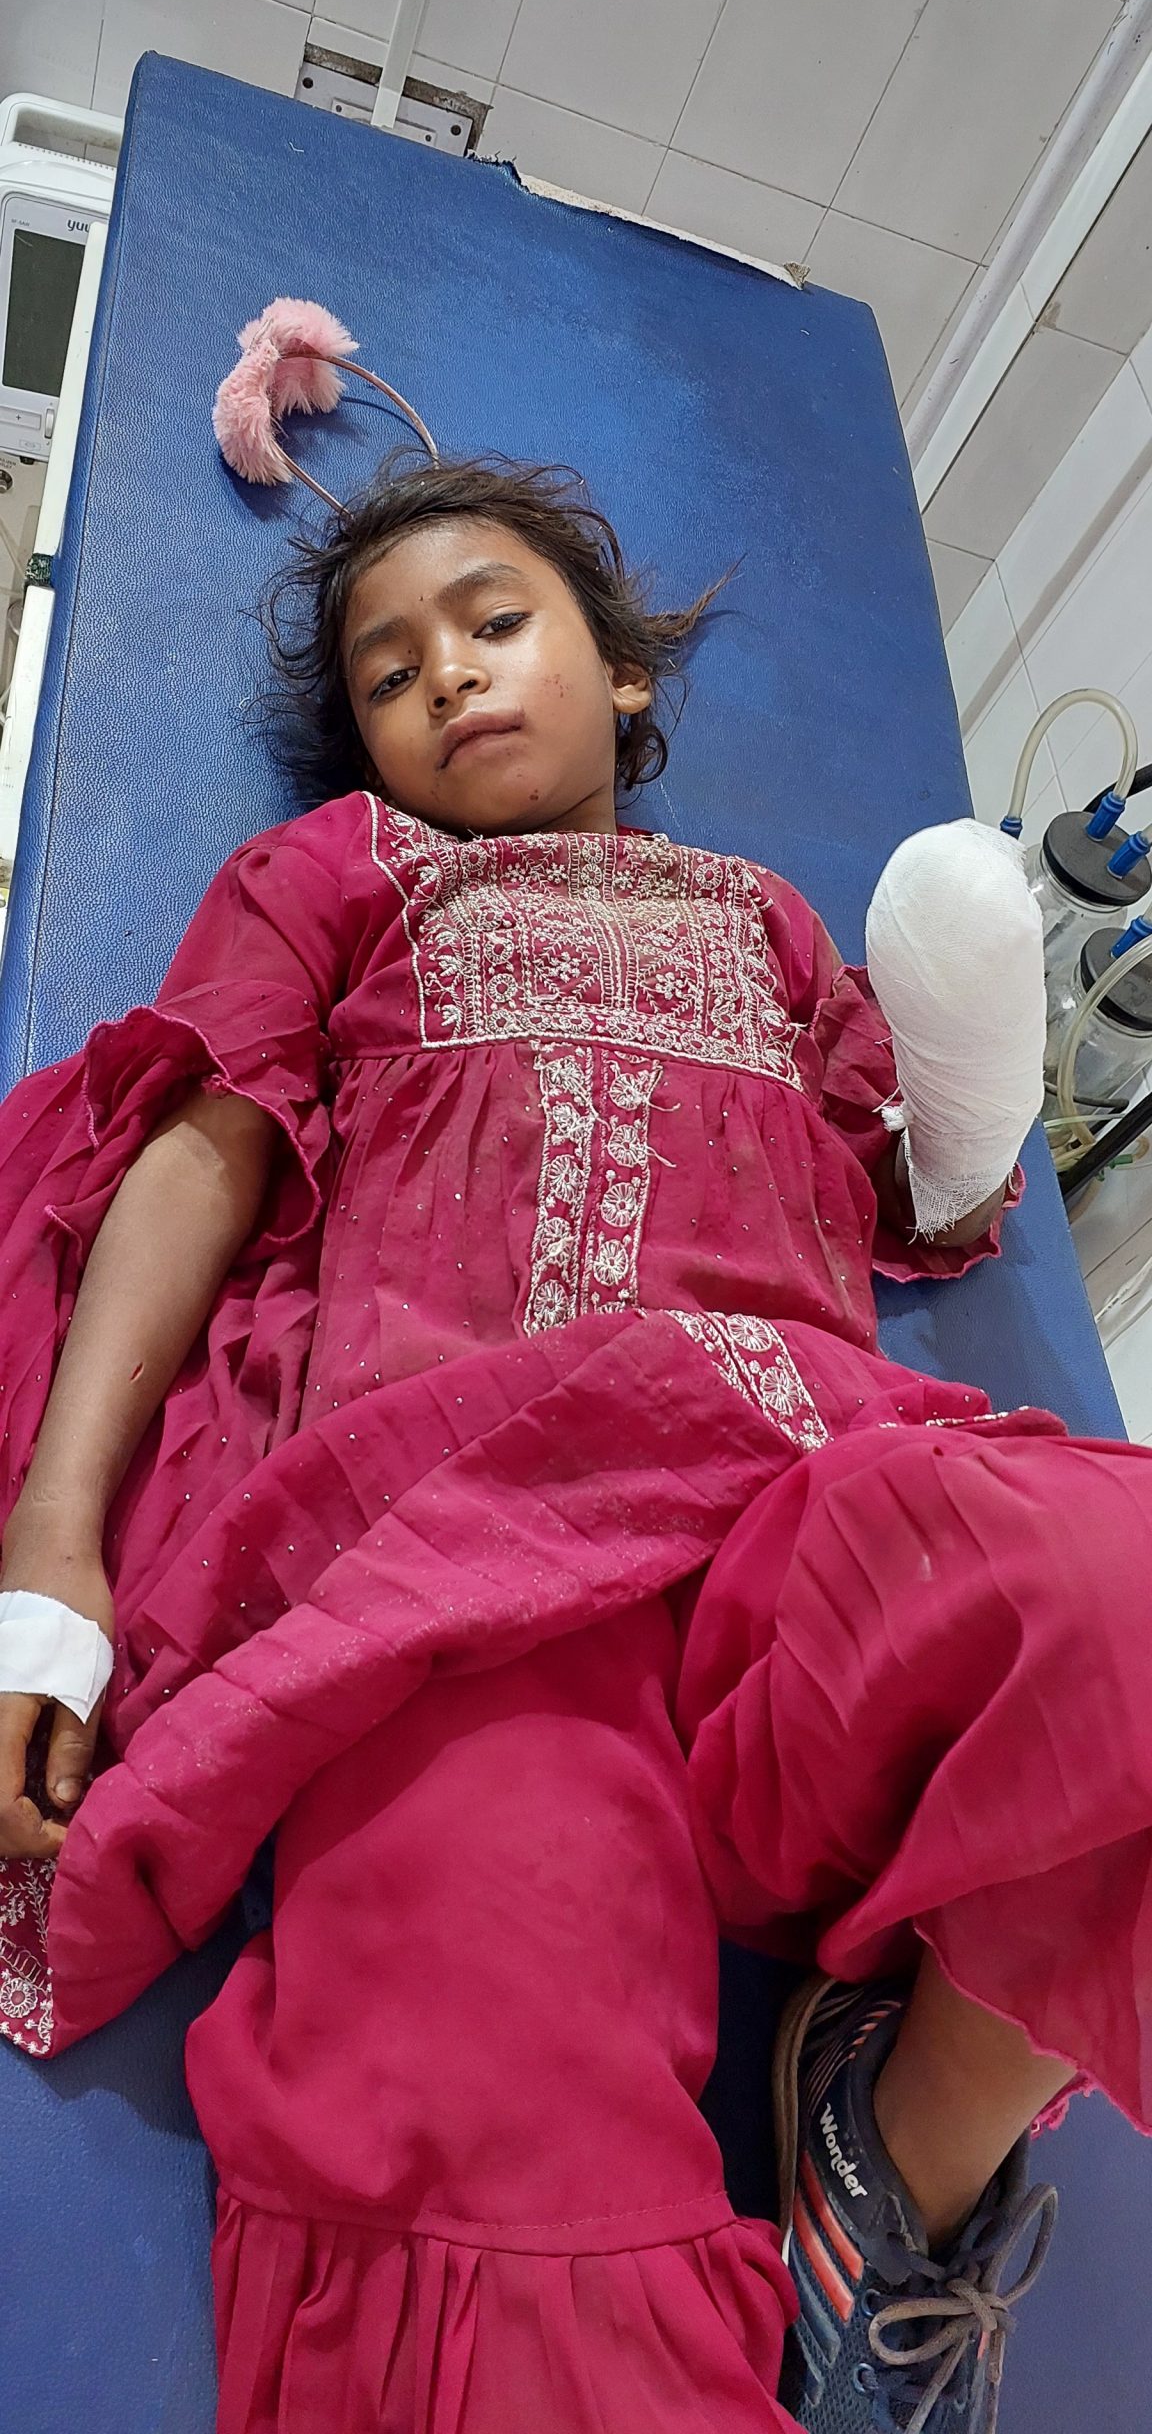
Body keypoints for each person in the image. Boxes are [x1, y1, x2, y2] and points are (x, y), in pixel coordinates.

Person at [0, 453, 1149, 2434]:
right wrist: (54, 1540)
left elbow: (908, 1204)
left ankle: (889, 2172)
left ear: (622, 676)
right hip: (460, 1558)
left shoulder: (772, 926)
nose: (443, 674)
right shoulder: (343, 878)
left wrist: (956, 1131)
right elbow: (198, 1156)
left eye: (492, 621)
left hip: (795, 1497)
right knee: (487, 2153)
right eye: (388, 672)